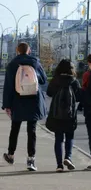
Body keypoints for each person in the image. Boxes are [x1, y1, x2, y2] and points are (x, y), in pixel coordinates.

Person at [2, 42, 47, 171]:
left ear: (17, 51)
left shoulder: (12, 65)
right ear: (29, 51)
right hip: (34, 100)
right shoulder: (35, 62)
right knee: (31, 131)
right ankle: (31, 160)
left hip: (17, 100)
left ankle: (11, 155)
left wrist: (7, 105)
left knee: (15, 128)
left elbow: (8, 87)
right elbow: (43, 80)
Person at [46, 59, 81, 172]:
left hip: (56, 114)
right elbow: (79, 96)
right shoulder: (74, 81)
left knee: (58, 139)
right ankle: (68, 157)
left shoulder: (55, 80)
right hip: (70, 115)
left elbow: (49, 93)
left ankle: (59, 165)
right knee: (69, 136)